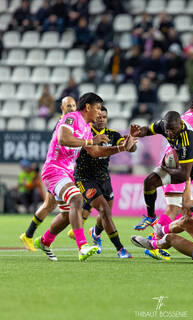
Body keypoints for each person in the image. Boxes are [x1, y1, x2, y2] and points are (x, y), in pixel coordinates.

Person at [33, 92, 109, 262]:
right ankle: (82, 247)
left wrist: (120, 148)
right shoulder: (72, 117)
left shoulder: (88, 128)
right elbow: (63, 138)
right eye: (97, 108)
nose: (99, 113)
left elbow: (95, 152)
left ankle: (44, 241)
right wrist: (91, 142)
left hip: (67, 173)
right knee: (76, 199)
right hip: (53, 169)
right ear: (87, 107)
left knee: (68, 215)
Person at [69, 106, 137, 258]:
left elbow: (131, 148)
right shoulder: (85, 133)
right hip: (85, 179)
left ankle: (95, 232)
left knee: (105, 213)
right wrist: (122, 148)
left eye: (104, 117)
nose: (101, 119)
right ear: (93, 117)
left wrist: (131, 141)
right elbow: (96, 152)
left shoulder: (113, 135)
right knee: (105, 211)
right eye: (99, 116)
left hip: (104, 179)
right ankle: (120, 249)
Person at [132, 111, 193, 231]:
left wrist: (165, 168)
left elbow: (183, 175)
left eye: (173, 130)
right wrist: (139, 133)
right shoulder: (164, 125)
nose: (170, 133)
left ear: (181, 124)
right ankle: (151, 217)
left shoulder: (188, 138)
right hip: (183, 166)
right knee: (149, 182)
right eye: (167, 130)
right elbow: (148, 130)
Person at [144, 99, 193, 260]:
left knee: (180, 213)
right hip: (175, 168)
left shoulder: (183, 117)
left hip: (176, 166)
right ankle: (154, 241)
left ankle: (161, 242)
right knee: (173, 209)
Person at [20, 96, 77, 252]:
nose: (71, 108)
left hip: (63, 170)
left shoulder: (71, 123)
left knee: (50, 205)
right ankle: (77, 235)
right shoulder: (63, 124)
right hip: (57, 171)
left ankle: (31, 236)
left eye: (73, 106)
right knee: (59, 205)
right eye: (68, 106)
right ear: (62, 108)